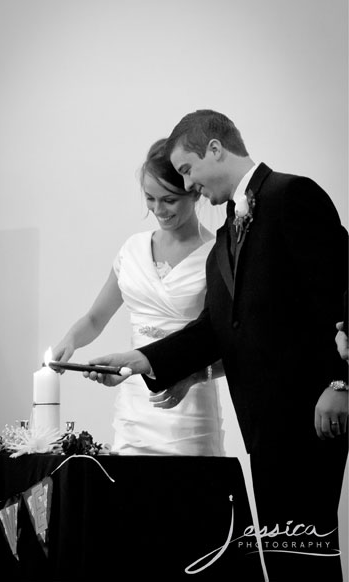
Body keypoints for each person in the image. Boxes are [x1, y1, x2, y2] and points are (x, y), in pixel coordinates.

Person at [85, 110, 348, 581]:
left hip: (311, 412)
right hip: (264, 424)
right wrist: (142, 359)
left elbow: (340, 288)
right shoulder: (228, 231)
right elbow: (215, 328)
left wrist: (341, 381)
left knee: (309, 555)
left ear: (214, 149)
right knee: (283, 559)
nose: (189, 186)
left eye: (187, 171)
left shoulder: (293, 195)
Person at [53, 138, 224, 456]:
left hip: (190, 411)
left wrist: (193, 376)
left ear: (193, 191)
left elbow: (230, 344)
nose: (159, 210)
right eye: (150, 198)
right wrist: (70, 341)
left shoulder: (217, 254)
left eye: (169, 200)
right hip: (133, 408)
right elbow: (94, 318)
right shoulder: (132, 249)